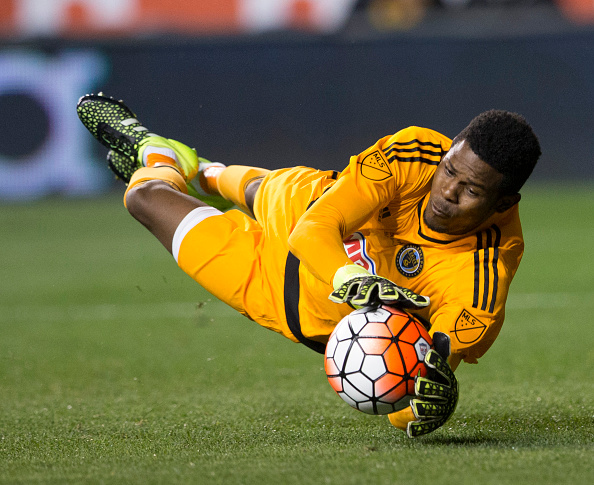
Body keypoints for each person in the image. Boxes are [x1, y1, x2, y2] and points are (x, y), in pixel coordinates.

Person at [76, 93, 541, 438]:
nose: (447, 193)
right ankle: (196, 169)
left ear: (504, 202)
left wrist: (423, 408)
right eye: (449, 172)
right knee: (259, 190)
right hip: (303, 207)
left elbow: (408, 398)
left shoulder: (480, 283)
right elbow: (313, 229)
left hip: (285, 299)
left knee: (143, 198)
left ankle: (156, 157)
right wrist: (352, 278)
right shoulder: (416, 152)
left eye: (471, 191)